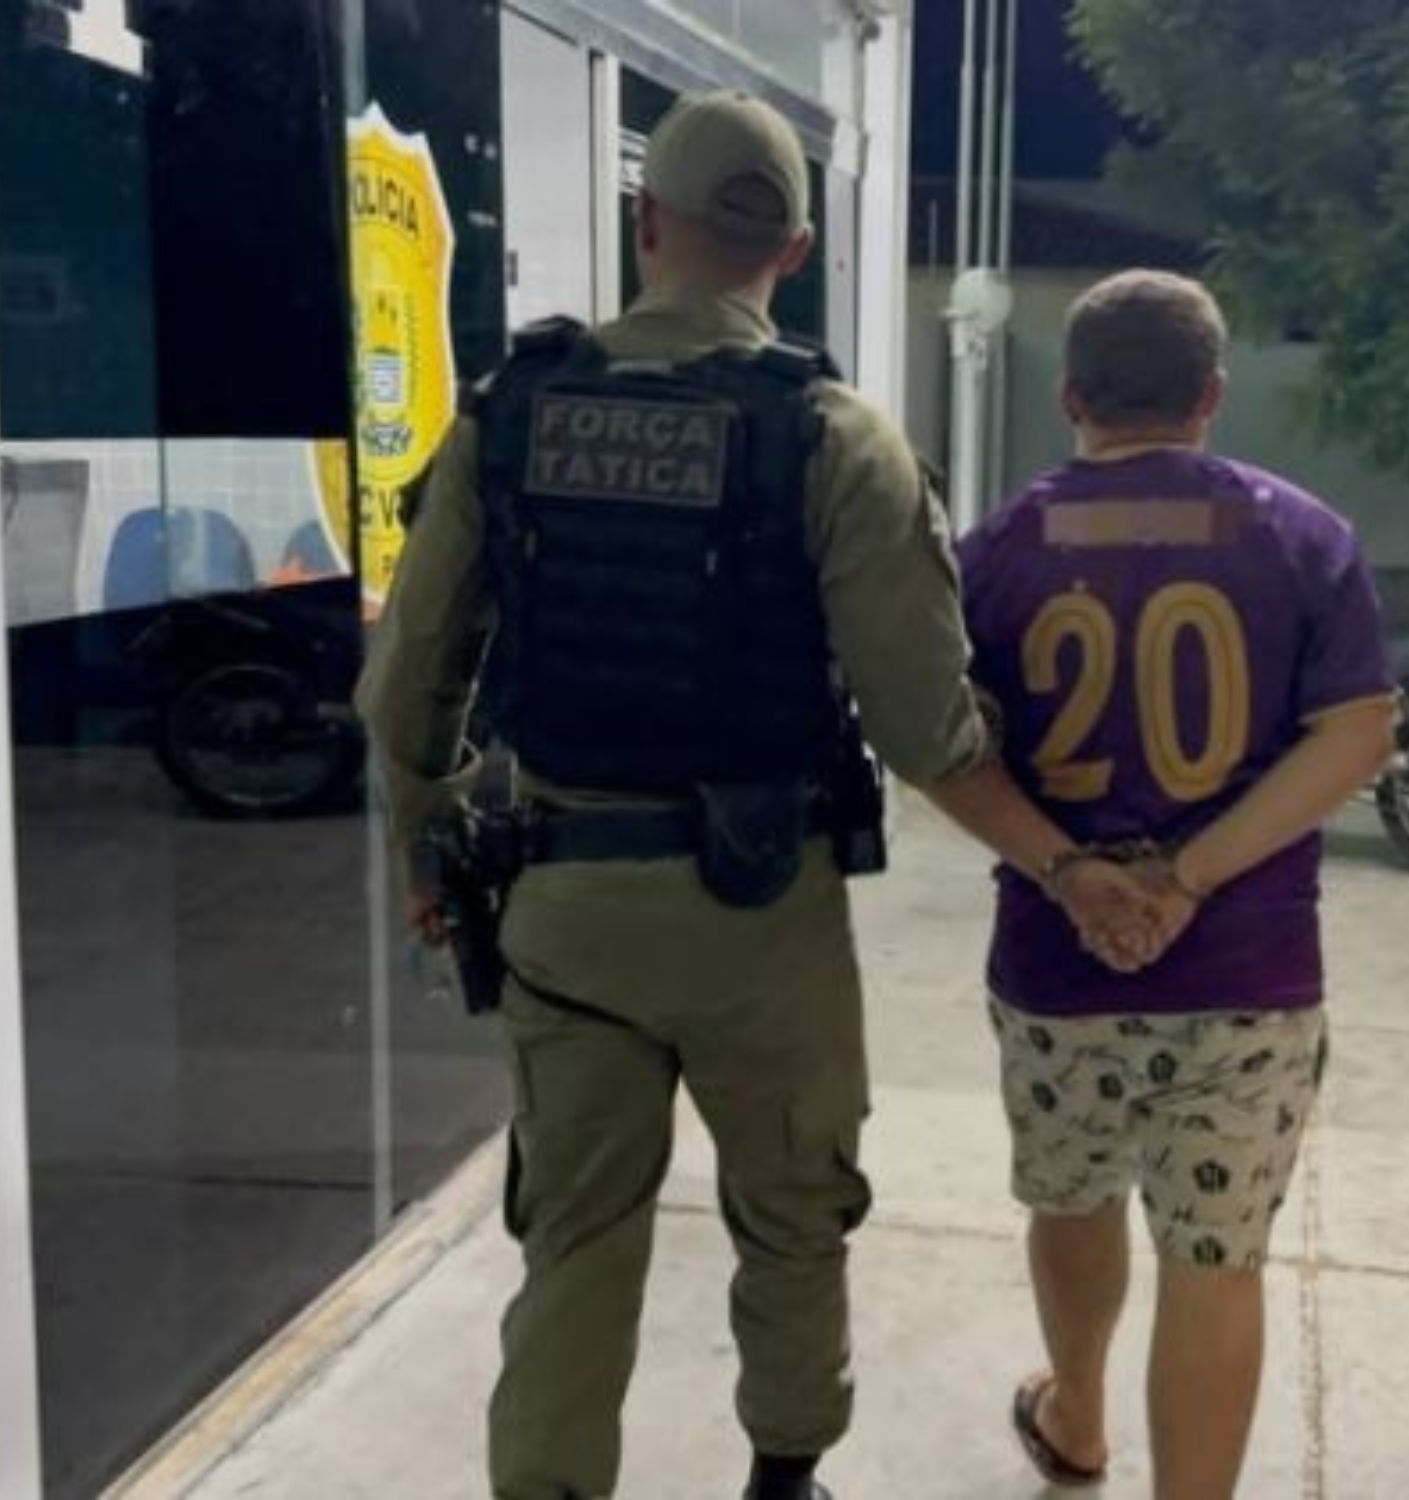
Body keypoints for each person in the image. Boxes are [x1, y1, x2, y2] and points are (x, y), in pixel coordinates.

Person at [359, 93, 1164, 1500]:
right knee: (793, 1215)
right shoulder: (834, 436)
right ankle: (785, 1483)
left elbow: (407, 692)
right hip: (764, 918)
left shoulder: (508, 414)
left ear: (646, 221)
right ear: (792, 251)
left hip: (564, 905)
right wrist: (1059, 839)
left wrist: (427, 857)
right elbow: (923, 730)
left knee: (575, 1238)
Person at [959, 269, 1399, 1499]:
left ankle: (1077, 1418)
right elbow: (1358, 732)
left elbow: (946, 750)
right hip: (1247, 973)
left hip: (1058, 966)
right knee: (1215, 1259)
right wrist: (1186, 880)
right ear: (1209, 394)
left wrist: (1073, 875)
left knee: (1071, 1197)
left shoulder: (993, 551)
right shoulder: (1303, 537)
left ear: (1069, 397)